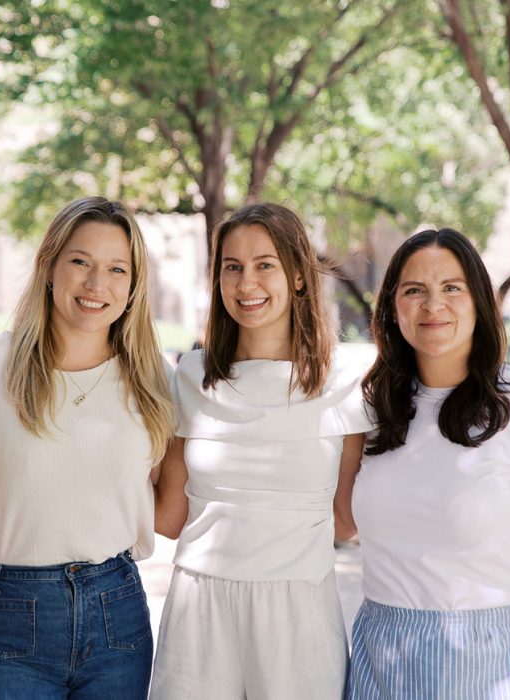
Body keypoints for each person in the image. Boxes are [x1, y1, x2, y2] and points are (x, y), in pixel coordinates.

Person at [346, 228, 510, 699]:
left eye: (452, 288)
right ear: (393, 308)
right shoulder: (372, 409)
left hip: (499, 663)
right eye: (415, 291)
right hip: (383, 658)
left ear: (479, 302)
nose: (433, 306)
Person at [151, 203, 372, 698]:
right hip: (199, 613)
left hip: (301, 615)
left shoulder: (343, 384)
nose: (246, 283)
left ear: (297, 274)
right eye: (233, 267)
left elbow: (346, 520)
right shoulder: (189, 375)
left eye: (264, 265)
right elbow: (169, 515)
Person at [0, 197, 173, 699]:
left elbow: (168, 500)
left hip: (116, 608)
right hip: (12, 609)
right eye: (80, 262)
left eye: (117, 269)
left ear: (133, 285)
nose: (97, 285)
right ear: (50, 266)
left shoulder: (153, 381)